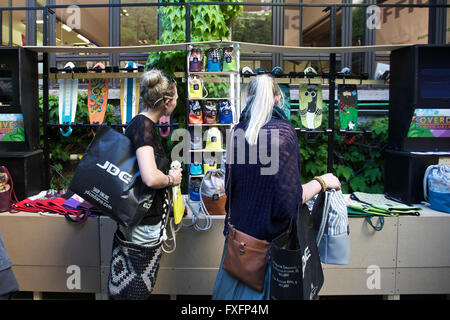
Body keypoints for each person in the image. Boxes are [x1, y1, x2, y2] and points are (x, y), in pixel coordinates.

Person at [212, 74, 341, 300]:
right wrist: (321, 182)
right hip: (268, 255)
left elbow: (230, 190)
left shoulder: (236, 132)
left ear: (249, 98)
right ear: (278, 99)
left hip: (237, 247)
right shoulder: (283, 134)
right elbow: (288, 202)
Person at [120, 68, 183, 244]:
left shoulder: (141, 123)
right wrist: (172, 179)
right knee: (142, 272)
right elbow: (150, 178)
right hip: (144, 222)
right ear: (167, 102)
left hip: (139, 218)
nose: (177, 101)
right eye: (176, 98)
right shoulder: (144, 128)